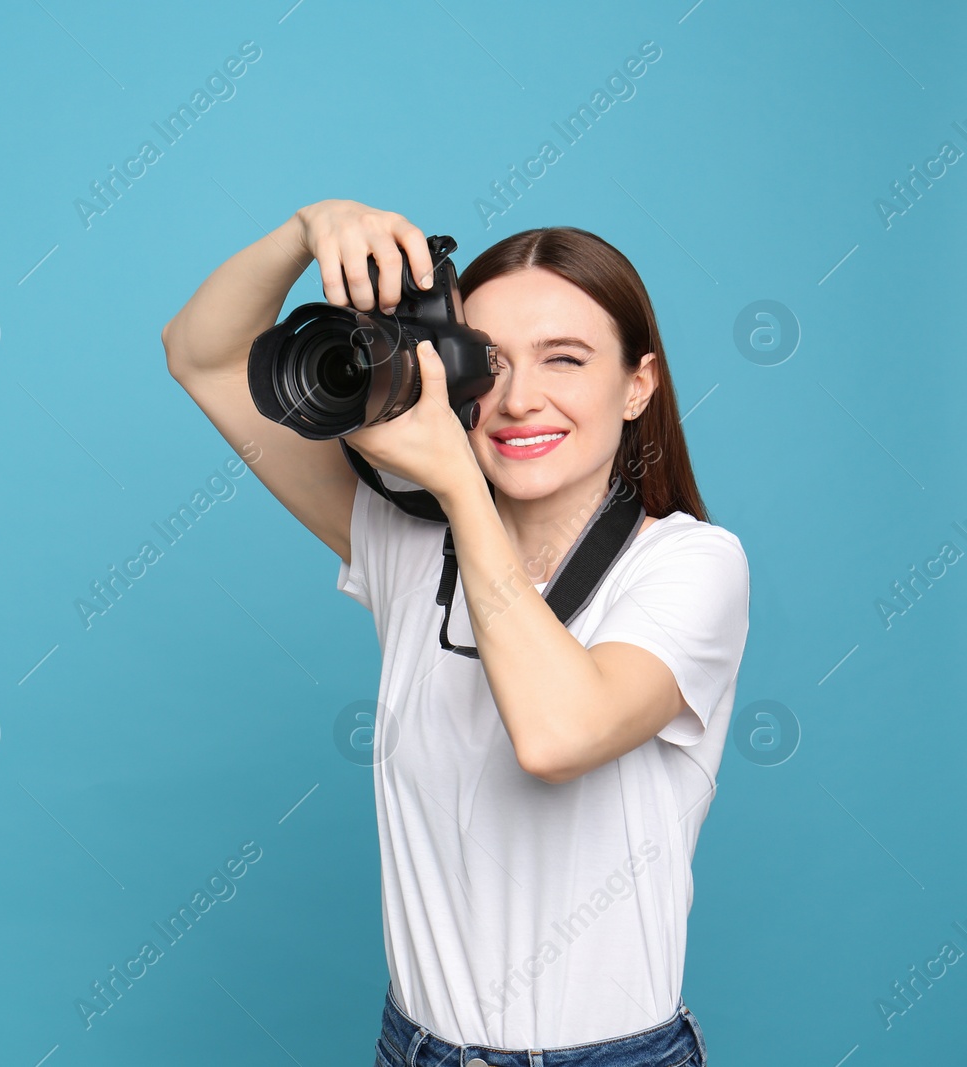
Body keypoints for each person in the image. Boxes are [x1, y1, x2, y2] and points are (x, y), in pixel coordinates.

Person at [161, 199, 748, 1066]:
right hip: (418, 1048)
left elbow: (557, 734)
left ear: (638, 383)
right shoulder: (410, 544)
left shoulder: (692, 565)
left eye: (566, 358)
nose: (517, 399)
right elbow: (203, 356)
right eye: (490, 362)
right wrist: (307, 228)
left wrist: (460, 487)